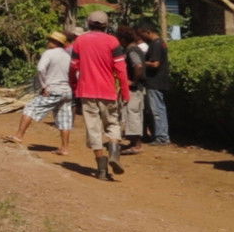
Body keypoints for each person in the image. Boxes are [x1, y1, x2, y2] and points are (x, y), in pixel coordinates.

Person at [70, 10, 130, 181]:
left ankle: (101, 170)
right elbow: (121, 69)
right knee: (113, 124)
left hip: (87, 91)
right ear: (106, 25)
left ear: (88, 23)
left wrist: (73, 84)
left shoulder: (80, 41)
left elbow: (73, 66)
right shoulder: (112, 41)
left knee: (93, 128)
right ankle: (114, 153)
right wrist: (125, 92)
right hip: (108, 91)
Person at [4, 32, 74, 155]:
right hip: (66, 91)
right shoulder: (67, 56)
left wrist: (44, 85)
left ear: (54, 42)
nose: (48, 42)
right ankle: (65, 148)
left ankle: (19, 135)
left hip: (53, 89)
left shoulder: (49, 53)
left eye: (50, 40)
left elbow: (41, 68)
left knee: (30, 108)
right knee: (64, 118)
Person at [136, 22, 171, 146]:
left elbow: (155, 63)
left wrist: (141, 62)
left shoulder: (156, 44)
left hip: (155, 81)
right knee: (158, 109)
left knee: (157, 110)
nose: (142, 37)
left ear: (148, 32)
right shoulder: (159, 42)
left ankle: (162, 137)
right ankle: (160, 135)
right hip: (157, 81)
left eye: (142, 34)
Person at [118, 25, 147, 153]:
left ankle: (136, 144)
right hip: (135, 88)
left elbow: (138, 66)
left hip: (134, 89)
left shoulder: (132, 50)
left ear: (124, 39)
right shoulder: (131, 49)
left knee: (133, 114)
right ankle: (133, 142)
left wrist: (133, 81)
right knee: (131, 114)